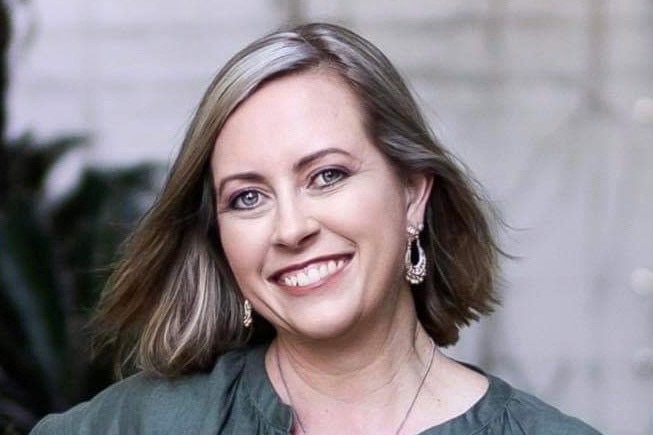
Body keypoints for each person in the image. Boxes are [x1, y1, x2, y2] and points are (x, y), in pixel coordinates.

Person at [31, 22, 601, 435]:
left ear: (413, 194)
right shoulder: (140, 425)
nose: (292, 227)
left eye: (327, 175)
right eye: (248, 197)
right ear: (220, 241)